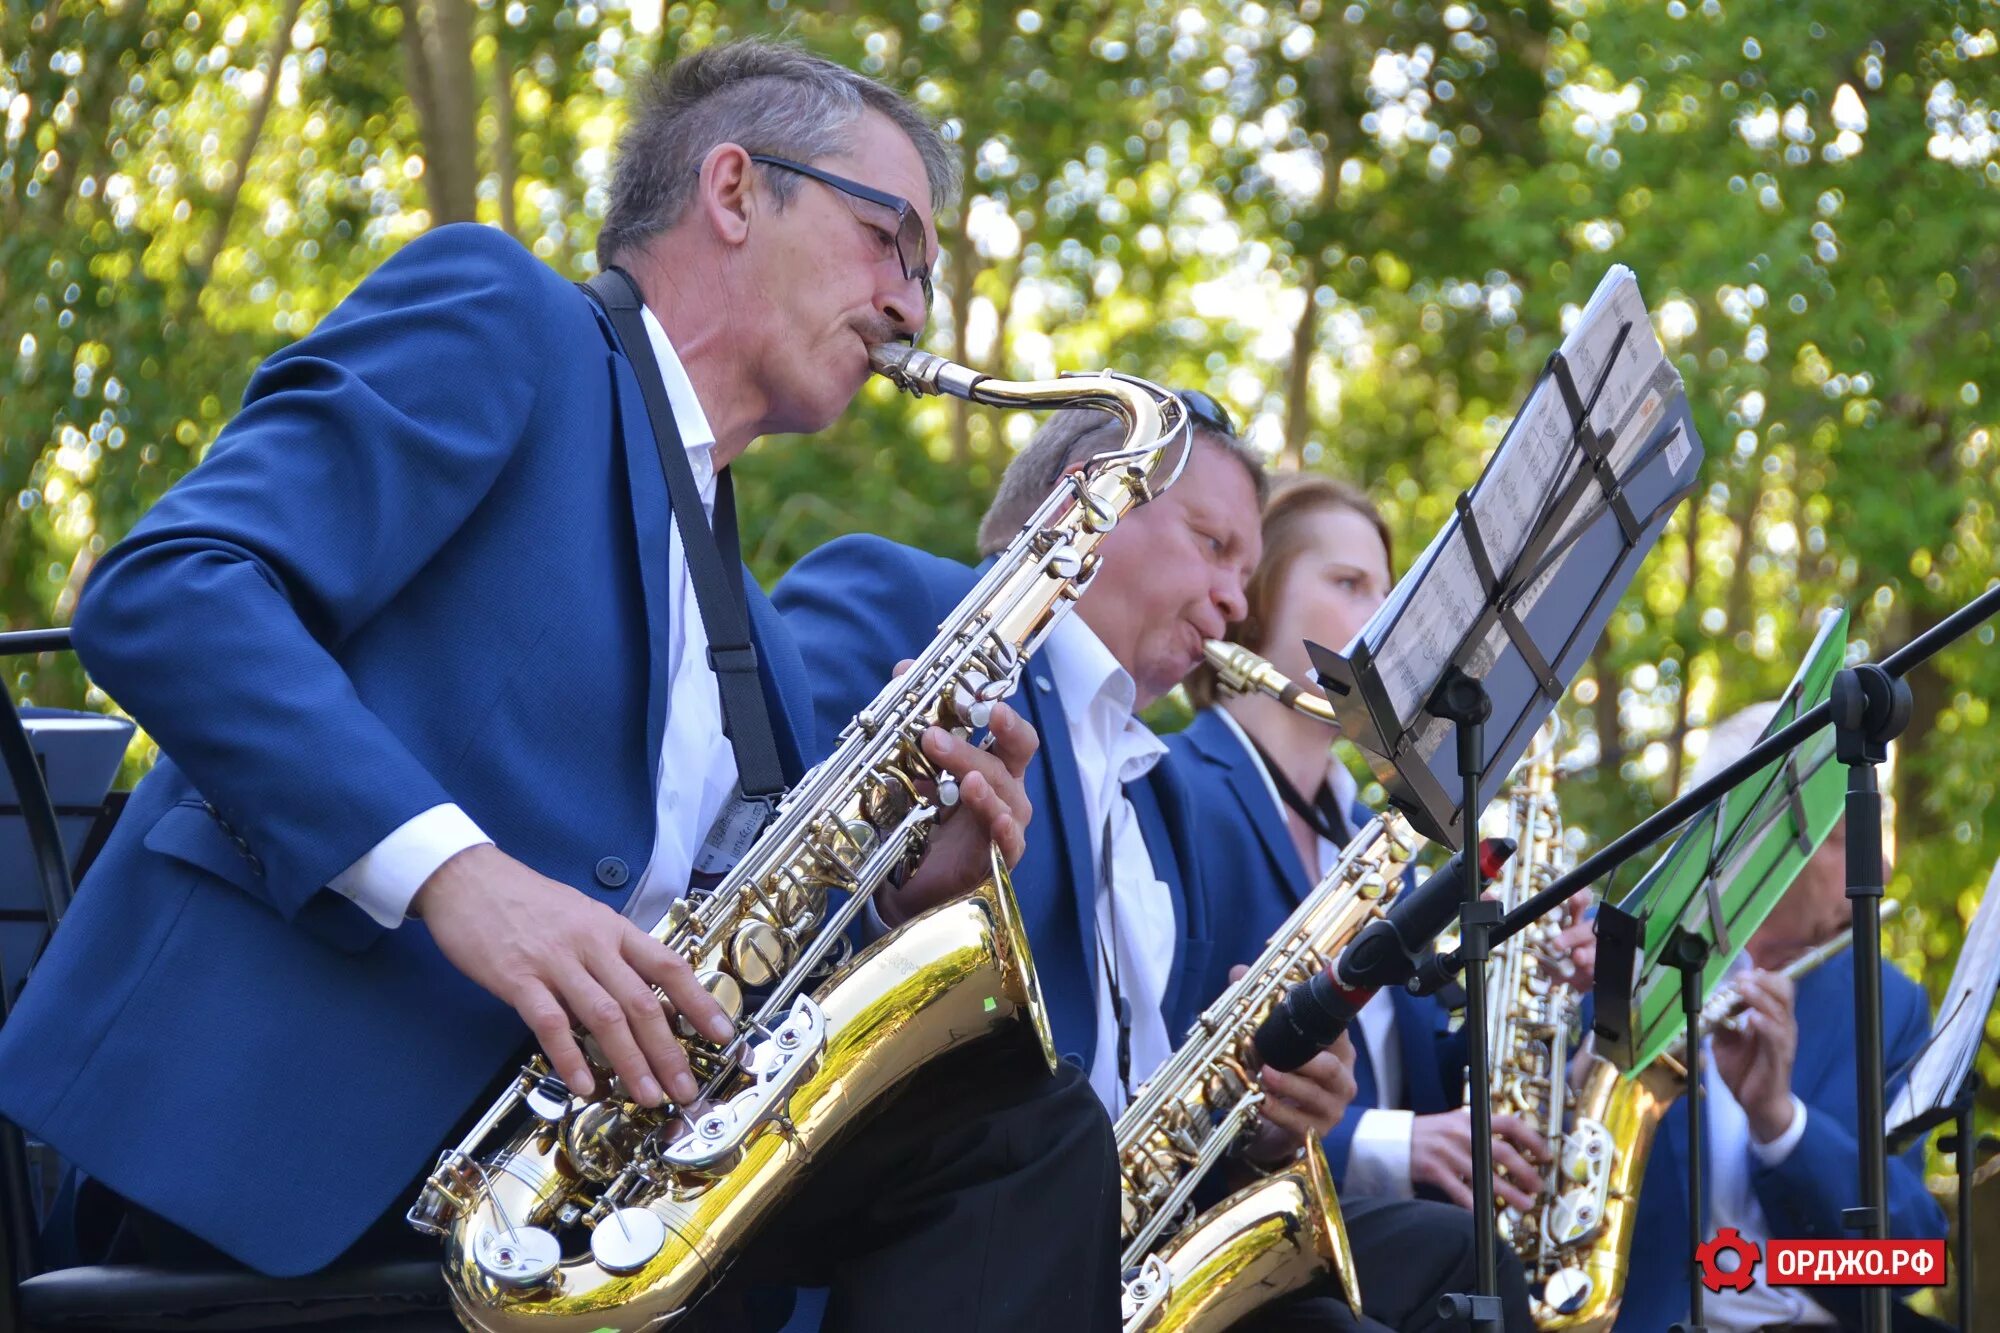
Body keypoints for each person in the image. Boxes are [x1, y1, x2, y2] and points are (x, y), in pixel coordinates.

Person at [0, 40, 1120, 1333]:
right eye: (892, 241)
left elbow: (719, 963)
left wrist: (892, 899)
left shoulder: (763, 633)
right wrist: (459, 876)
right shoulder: (505, 317)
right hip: (302, 1155)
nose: (913, 308)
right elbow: (170, 589)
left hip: (572, 1211)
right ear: (737, 189)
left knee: (1014, 1134)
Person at [776, 405, 1526, 1332]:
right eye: (1213, 546)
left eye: (1247, 576)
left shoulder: (1163, 790)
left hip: (1125, 1245)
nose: (1233, 602)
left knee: (1458, 1261)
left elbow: (1159, 1081)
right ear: (1084, 500)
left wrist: (1265, 1118)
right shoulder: (904, 599)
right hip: (953, 1220)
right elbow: (764, 885)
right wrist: (905, 911)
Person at [1167, 472, 1536, 1331]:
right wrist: (1402, 1142)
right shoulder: (1180, 786)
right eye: (1348, 584)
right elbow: (1177, 1069)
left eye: (1390, 589)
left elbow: (1412, 1072)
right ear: (1256, 602)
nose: (1388, 613)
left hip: (1380, 1244)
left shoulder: (1378, 842)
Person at [1613, 704, 1949, 1332]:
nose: (1879, 870)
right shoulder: (1624, 975)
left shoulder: (1889, 1003)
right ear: (1755, 842)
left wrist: (1782, 1124)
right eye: (1850, 843)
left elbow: (1910, 1260)